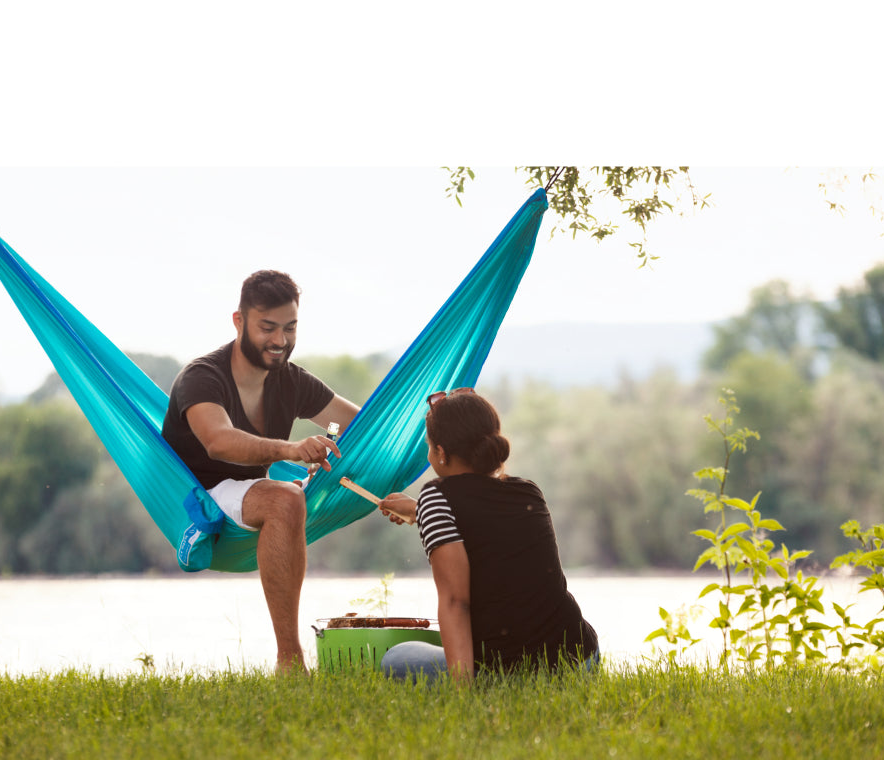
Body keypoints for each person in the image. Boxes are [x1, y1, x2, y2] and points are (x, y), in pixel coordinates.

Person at [162, 270, 359, 675]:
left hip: (252, 491)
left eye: (290, 328)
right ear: (239, 321)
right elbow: (219, 441)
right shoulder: (201, 377)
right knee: (285, 496)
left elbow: (358, 423)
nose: (280, 341)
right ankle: (291, 662)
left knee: (291, 494)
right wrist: (291, 449)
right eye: (267, 327)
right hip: (201, 498)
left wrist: (334, 438)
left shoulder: (291, 379)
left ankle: (290, 662)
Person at [377, 388, 598, 684]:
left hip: (509, 670)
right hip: (580, 659)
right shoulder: (528, 491)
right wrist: (421, 511)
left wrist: (463, 692)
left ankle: (477, 683)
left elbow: (456, 602)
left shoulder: (435, 496)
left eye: (429, 448)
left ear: (442, 453)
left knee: (397, 658)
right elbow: (487, 527)